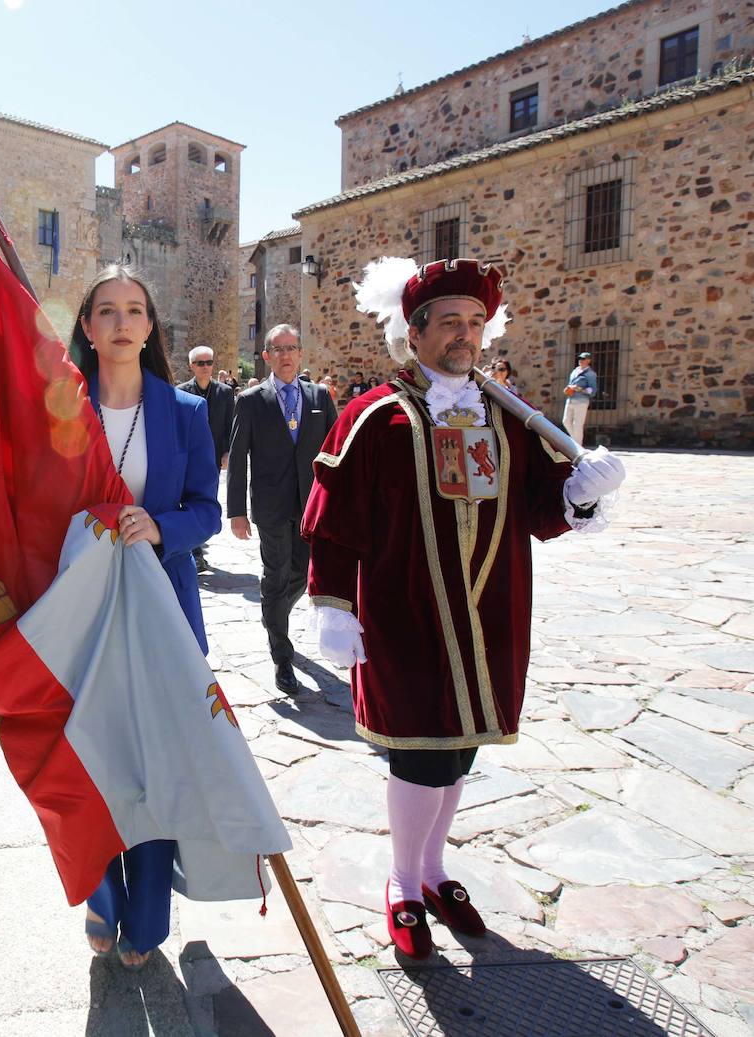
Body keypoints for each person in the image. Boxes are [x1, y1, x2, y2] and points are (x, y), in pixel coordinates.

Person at [304, 257, 626, 959]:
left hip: (491, 615)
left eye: (476, 322)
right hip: (407, 615)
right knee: (421, 756)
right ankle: (400, 882)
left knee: (461, 753)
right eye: (449, 321)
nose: (465, 335)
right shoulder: (373, 417)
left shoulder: (506, 417)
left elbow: (541, 507)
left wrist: (582, 492)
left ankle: (433, 871)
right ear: (412, 333)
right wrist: (331, 603)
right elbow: (334, 518)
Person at [69, 264, 221, 970]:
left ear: (151, 327)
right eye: (108, 310)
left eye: (135, 309)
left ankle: (149, 915)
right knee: (94, 761)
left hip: (163, 610)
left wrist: (161, 528)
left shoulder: (186, 411)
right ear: (89, 327)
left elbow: (207, 510)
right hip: (82, 616)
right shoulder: (60, 410)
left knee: (157, 769)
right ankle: (102, 898)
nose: (122, 321)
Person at [227, 324, 338, 698]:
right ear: (267, 356)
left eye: (292, 348)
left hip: (310, 506)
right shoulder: (251, 400)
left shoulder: (321, 396)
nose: (286, 355)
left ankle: (273, 612)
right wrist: (237, 511)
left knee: (304, 575)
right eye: (279, 349)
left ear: (301, 354)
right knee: (275, 576)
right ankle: (282, 655)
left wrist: (340, 503)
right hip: (271, 507)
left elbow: (338, 454)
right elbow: (238, 457)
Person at [177, 345, 235, 574]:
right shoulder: (181, 392)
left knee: (205, 503)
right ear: (191, 366)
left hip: (212, 458)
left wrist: (228, 451)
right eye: (200, 363)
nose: (205, 367)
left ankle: (197, 549)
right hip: (186, 457)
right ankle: (195, 553)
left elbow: (230, 424)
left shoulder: (225, 392)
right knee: (185, 502)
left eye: (208, 362)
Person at [562, 351, 598, 444]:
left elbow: (592, 390)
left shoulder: (591, 374)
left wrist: (579, 389)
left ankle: (578, 445)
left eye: (583, 359)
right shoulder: (575, 371)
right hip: (570, 399)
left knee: (577, 425)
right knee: (565, 421)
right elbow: (571, 384)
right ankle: (575, 442)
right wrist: (567, 389)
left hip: (581, 401)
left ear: (588, 361)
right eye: (580, 358)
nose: (581, 360)